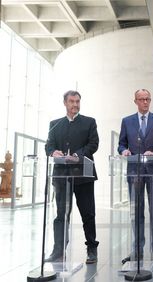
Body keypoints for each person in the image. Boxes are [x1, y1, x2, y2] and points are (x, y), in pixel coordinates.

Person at [118, 89, 153, 263]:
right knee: (136, 213)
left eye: (147, 99)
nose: (145, 102)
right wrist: (124, 150)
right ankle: (137, 250)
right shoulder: (127, 121)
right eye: (141, 99)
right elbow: (121, 144)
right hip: (135, 172)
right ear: (135, 101)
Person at [45, 90, 99, 264]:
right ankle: (58, 250)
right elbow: (48, 146)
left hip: (83, 175)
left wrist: (77, 154)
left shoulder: (89, 122)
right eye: (72, 101)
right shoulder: (55, 124)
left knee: (88, 214)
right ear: (65, 103)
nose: (75, 104)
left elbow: (93, 144)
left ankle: (91, 249)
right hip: (61, 177)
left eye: (77, 101)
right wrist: (53, 151)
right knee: (61, 215)